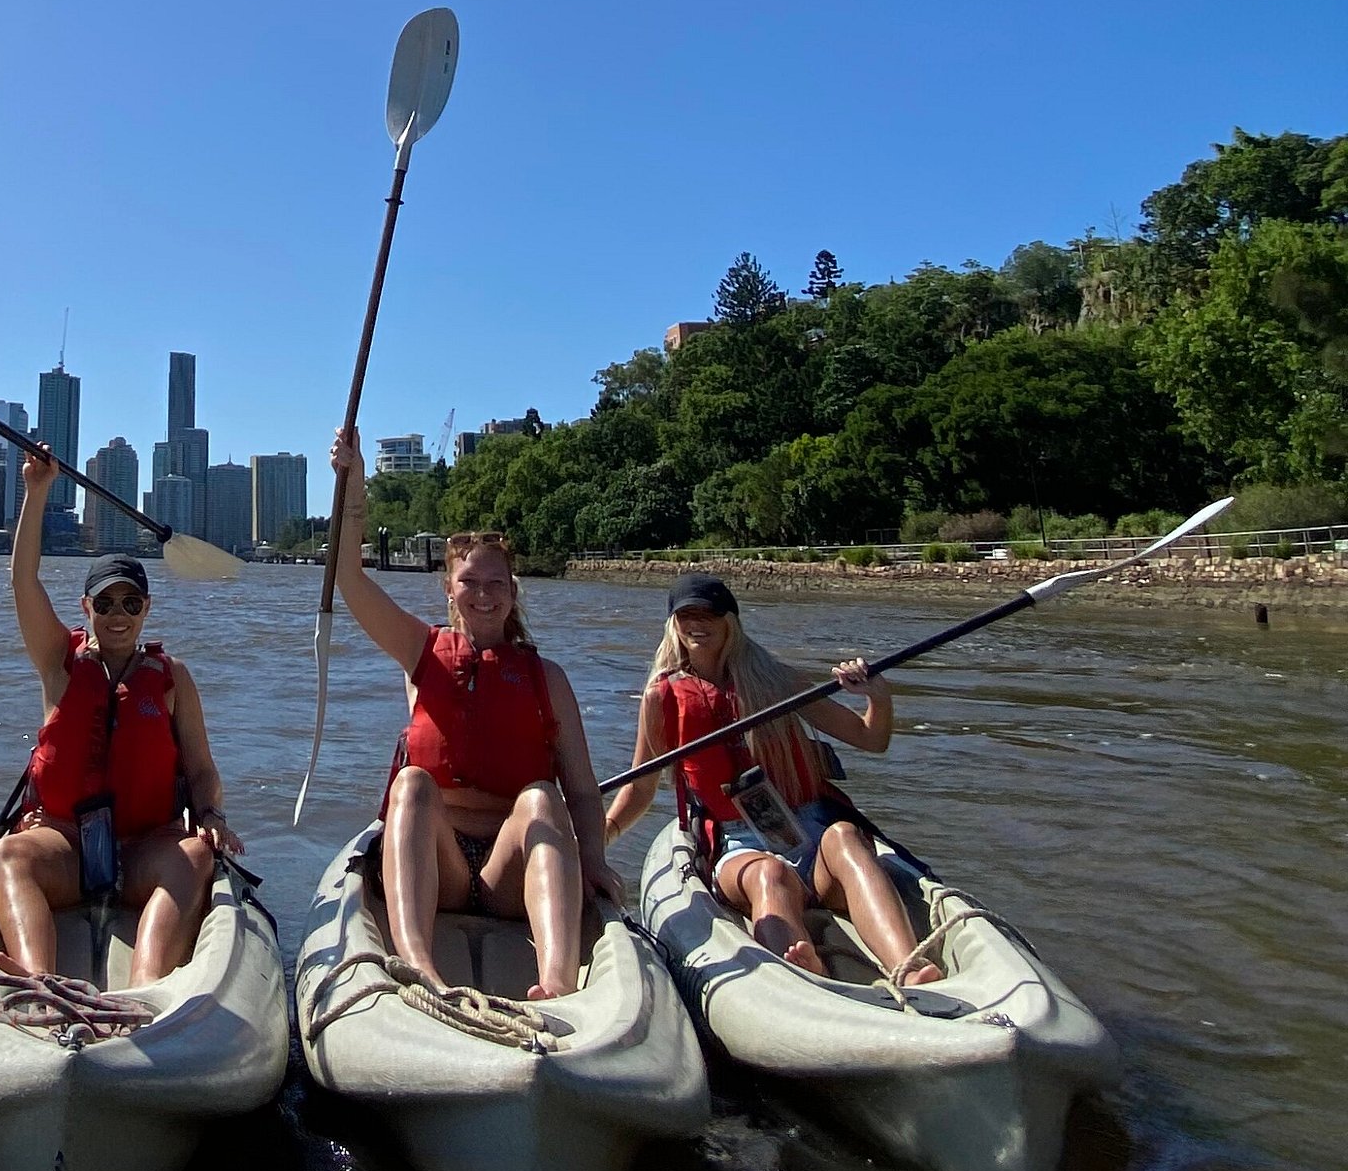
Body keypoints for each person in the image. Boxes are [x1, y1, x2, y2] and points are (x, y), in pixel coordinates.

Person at [328, 427, 617, 999]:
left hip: (509, 869)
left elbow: (582, 792)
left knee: (542, 795)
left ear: (512, 591)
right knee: (411, 782)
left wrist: (595, 863)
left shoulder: (546, 679)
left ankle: (557, 980)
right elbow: (347, 577)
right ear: (448, 590)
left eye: (495, 583)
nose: (483, 594)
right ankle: (417, 961)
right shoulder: (420, 650)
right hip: (440, 865)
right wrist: (354, 485)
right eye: (469, 583)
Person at [602, 573, 944, 986]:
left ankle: (908, 967)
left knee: (846, 837)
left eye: (708, 613)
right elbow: (641, 786)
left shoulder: (777, 681)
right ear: (673, 624)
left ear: (731, 620)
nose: (697, 623)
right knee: (770, 875)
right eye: (686, 615)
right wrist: (601, 837)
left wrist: (878, 697)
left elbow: (871, 739)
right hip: (737, 843)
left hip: (811, 831)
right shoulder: (663, 698)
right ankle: (801, 969)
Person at [0, 448, 241, 986]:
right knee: (11, 856)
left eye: (130, 604)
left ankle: (144, 992)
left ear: (146, 609)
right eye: (105, 604)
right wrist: (36, 493)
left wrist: (212, 816)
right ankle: (40, 986)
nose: (118, 615)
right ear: (87, 610)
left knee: (192, 857)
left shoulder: (171, 676)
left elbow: (199, 767)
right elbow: (23, 582)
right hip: (66, 843)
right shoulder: (58, 663)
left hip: (146, 846)